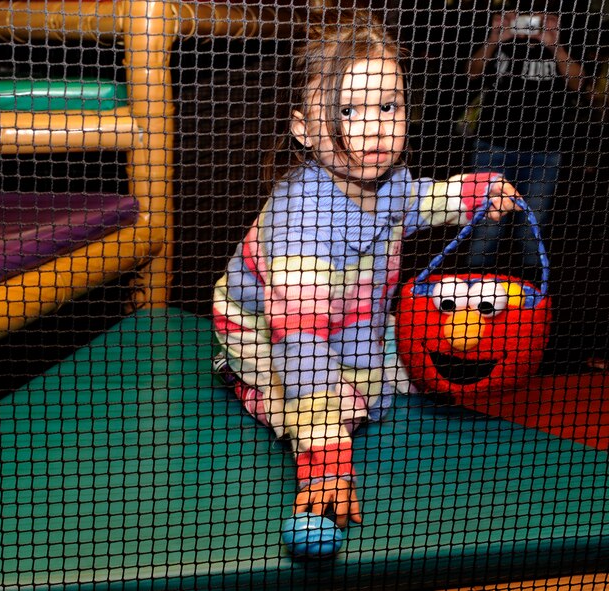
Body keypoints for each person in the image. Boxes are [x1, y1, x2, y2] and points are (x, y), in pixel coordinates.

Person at [211, 9, 523, 533]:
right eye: (348, 111)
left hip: (355, 312)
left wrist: (471, 193)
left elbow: (419, 199)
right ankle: (243, 381)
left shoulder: (388, 177)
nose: (375, 127)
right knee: (317, 402)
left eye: (387, 105)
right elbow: (302, 344)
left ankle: (352, 382)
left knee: (371, 387)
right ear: (304, 129)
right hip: (267, 329)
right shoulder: (301, 229)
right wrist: (326, 468)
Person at [463, 3, 591, 275]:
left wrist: (555, 46)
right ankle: (471, 290)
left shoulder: (566, 36)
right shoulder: (502, 38)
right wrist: (496, 37)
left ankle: (533, 298)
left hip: (545, 148)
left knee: (532, 227)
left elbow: (579, 83)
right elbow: (471, 72)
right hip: (493, 142)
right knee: (487, 225)